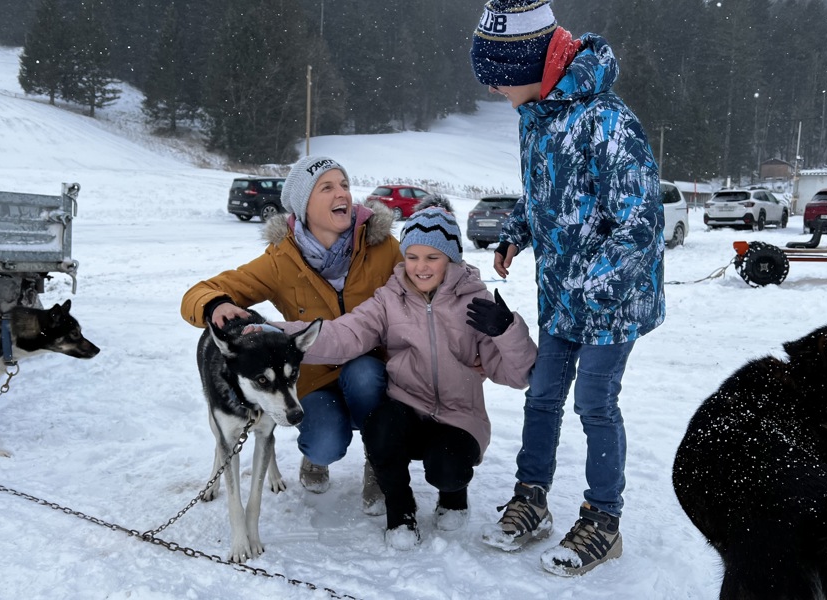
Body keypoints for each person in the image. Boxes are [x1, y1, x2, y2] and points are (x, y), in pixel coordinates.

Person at [469, 0, 666, 577]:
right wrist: (516, 230)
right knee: (543, 394)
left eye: (498, 79)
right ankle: (531, 499)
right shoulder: (537, 115)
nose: (494, 91)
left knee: (594, 403)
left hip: (613, 300)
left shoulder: (608, 121)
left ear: (532, 65)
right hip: (561, 296)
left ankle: (604, 521)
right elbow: (546, 192)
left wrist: (591, 288)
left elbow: (640, 225)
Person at [250, 199, 537, 550]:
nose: (420, 267)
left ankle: (453, 496)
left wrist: (507, 331)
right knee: (380, 427)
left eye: (432, 257)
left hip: (459, 415)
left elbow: (518, 375)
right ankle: (400, 510)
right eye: (412, 256)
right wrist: (280, 334)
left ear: (451, 258)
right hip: (407, 409)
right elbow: (345, 334)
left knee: (448, 469)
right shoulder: (390, 299)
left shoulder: (474, 303)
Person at [180, 155, 403, 514]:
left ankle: (378, 460)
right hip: (311, 377)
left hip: (370, 369)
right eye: (327, 187)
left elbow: (427, 281)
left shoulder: (384, 248)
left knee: (365, 374)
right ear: (304, 205)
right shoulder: (282, 260)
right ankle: (316, 455)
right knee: (324, 444)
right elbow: (201, 291)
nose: (342, 194)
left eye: (344, 185)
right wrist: (214, 304)